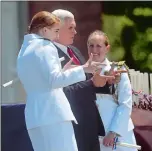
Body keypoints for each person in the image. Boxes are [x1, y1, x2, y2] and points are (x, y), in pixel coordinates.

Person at [17, 11, 103, 151]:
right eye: (56, 31)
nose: (57, 36)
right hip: (54, 114)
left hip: (34, 116)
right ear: (45, 30)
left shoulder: (24, 50)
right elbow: (54, 80)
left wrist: (65, 72)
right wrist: (83, 69)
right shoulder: (46, 45)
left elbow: (41, 80)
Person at [51, 9, 111, 151]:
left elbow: (89, 80)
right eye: (71, 28)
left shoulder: (74, 51)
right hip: (72, 124)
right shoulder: (51, 55)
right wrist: (92, 83)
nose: (75, 32)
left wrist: (107, 82)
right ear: (57, 29)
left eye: (75, 27)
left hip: (88, 122)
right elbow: (59, 89)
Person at [87, 30, 137, 151]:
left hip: (118, 134)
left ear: (107, 48)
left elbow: (125, 103)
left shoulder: (118, 69)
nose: (94, 50)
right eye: (91, 45)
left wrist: (113, 132)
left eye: (99, 46)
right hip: (94, 134)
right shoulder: (81, 71)